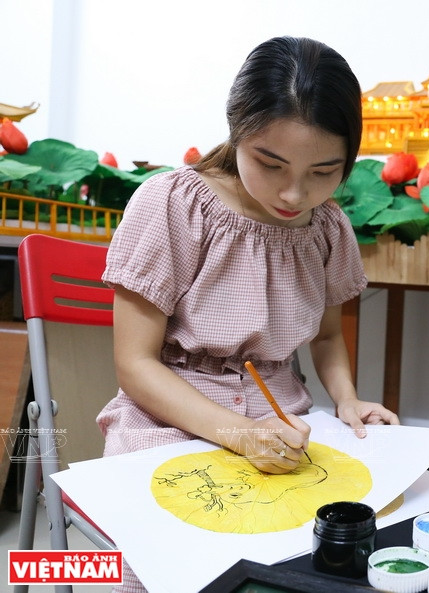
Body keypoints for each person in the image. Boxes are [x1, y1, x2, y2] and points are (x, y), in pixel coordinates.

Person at [98, 36, 398, 592]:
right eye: (270, 163)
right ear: (237, 131)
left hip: (283, 421)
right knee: (175, 559)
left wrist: (347, 400)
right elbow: (135, 364)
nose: (294, 193)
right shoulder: (174, 204)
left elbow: (327, 337)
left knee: (329, 551)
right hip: (167, 418)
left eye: (324, 171)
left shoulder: (328, 227)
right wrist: (240, 435)